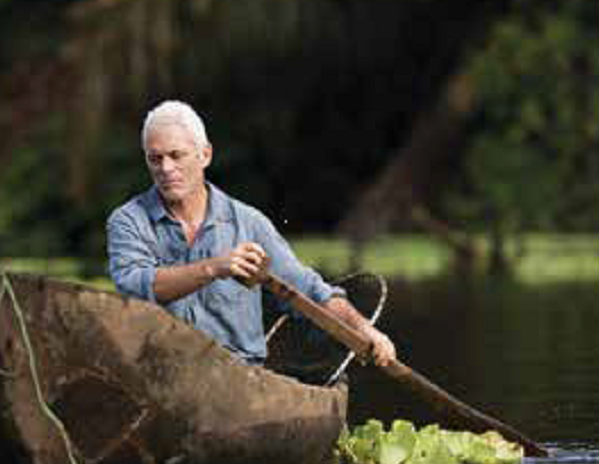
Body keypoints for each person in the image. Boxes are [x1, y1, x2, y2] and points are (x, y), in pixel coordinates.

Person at [107, 100, 396, 367]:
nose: (166, 168)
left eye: (176, 155)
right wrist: (213, 267)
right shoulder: (128, 222)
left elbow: (311, 293)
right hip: (161, 373)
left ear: (205, 154)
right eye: (155, 159)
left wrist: (364, 330)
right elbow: (134, 285)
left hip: (240, 383)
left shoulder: (249, 223)